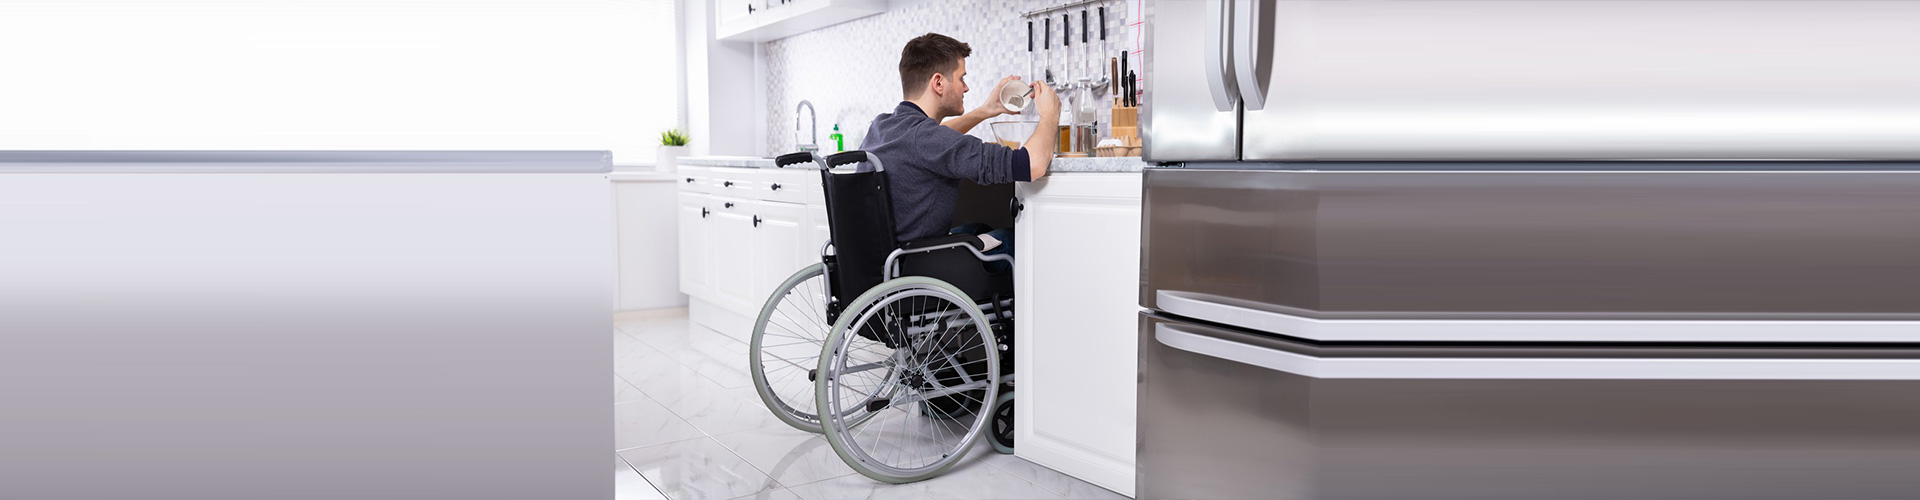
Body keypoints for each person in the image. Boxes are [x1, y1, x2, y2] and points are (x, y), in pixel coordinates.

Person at [858, 32, 1060, 270]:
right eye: (961, 78)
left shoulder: (883, 126)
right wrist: (1050, 115)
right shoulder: (929, 139)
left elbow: (933, 139)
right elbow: (1031, 164)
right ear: (939, 83)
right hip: (919, 268)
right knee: (1017, 238)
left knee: (978, 229)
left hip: (888, 261)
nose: (966, 87)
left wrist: (986, 110)